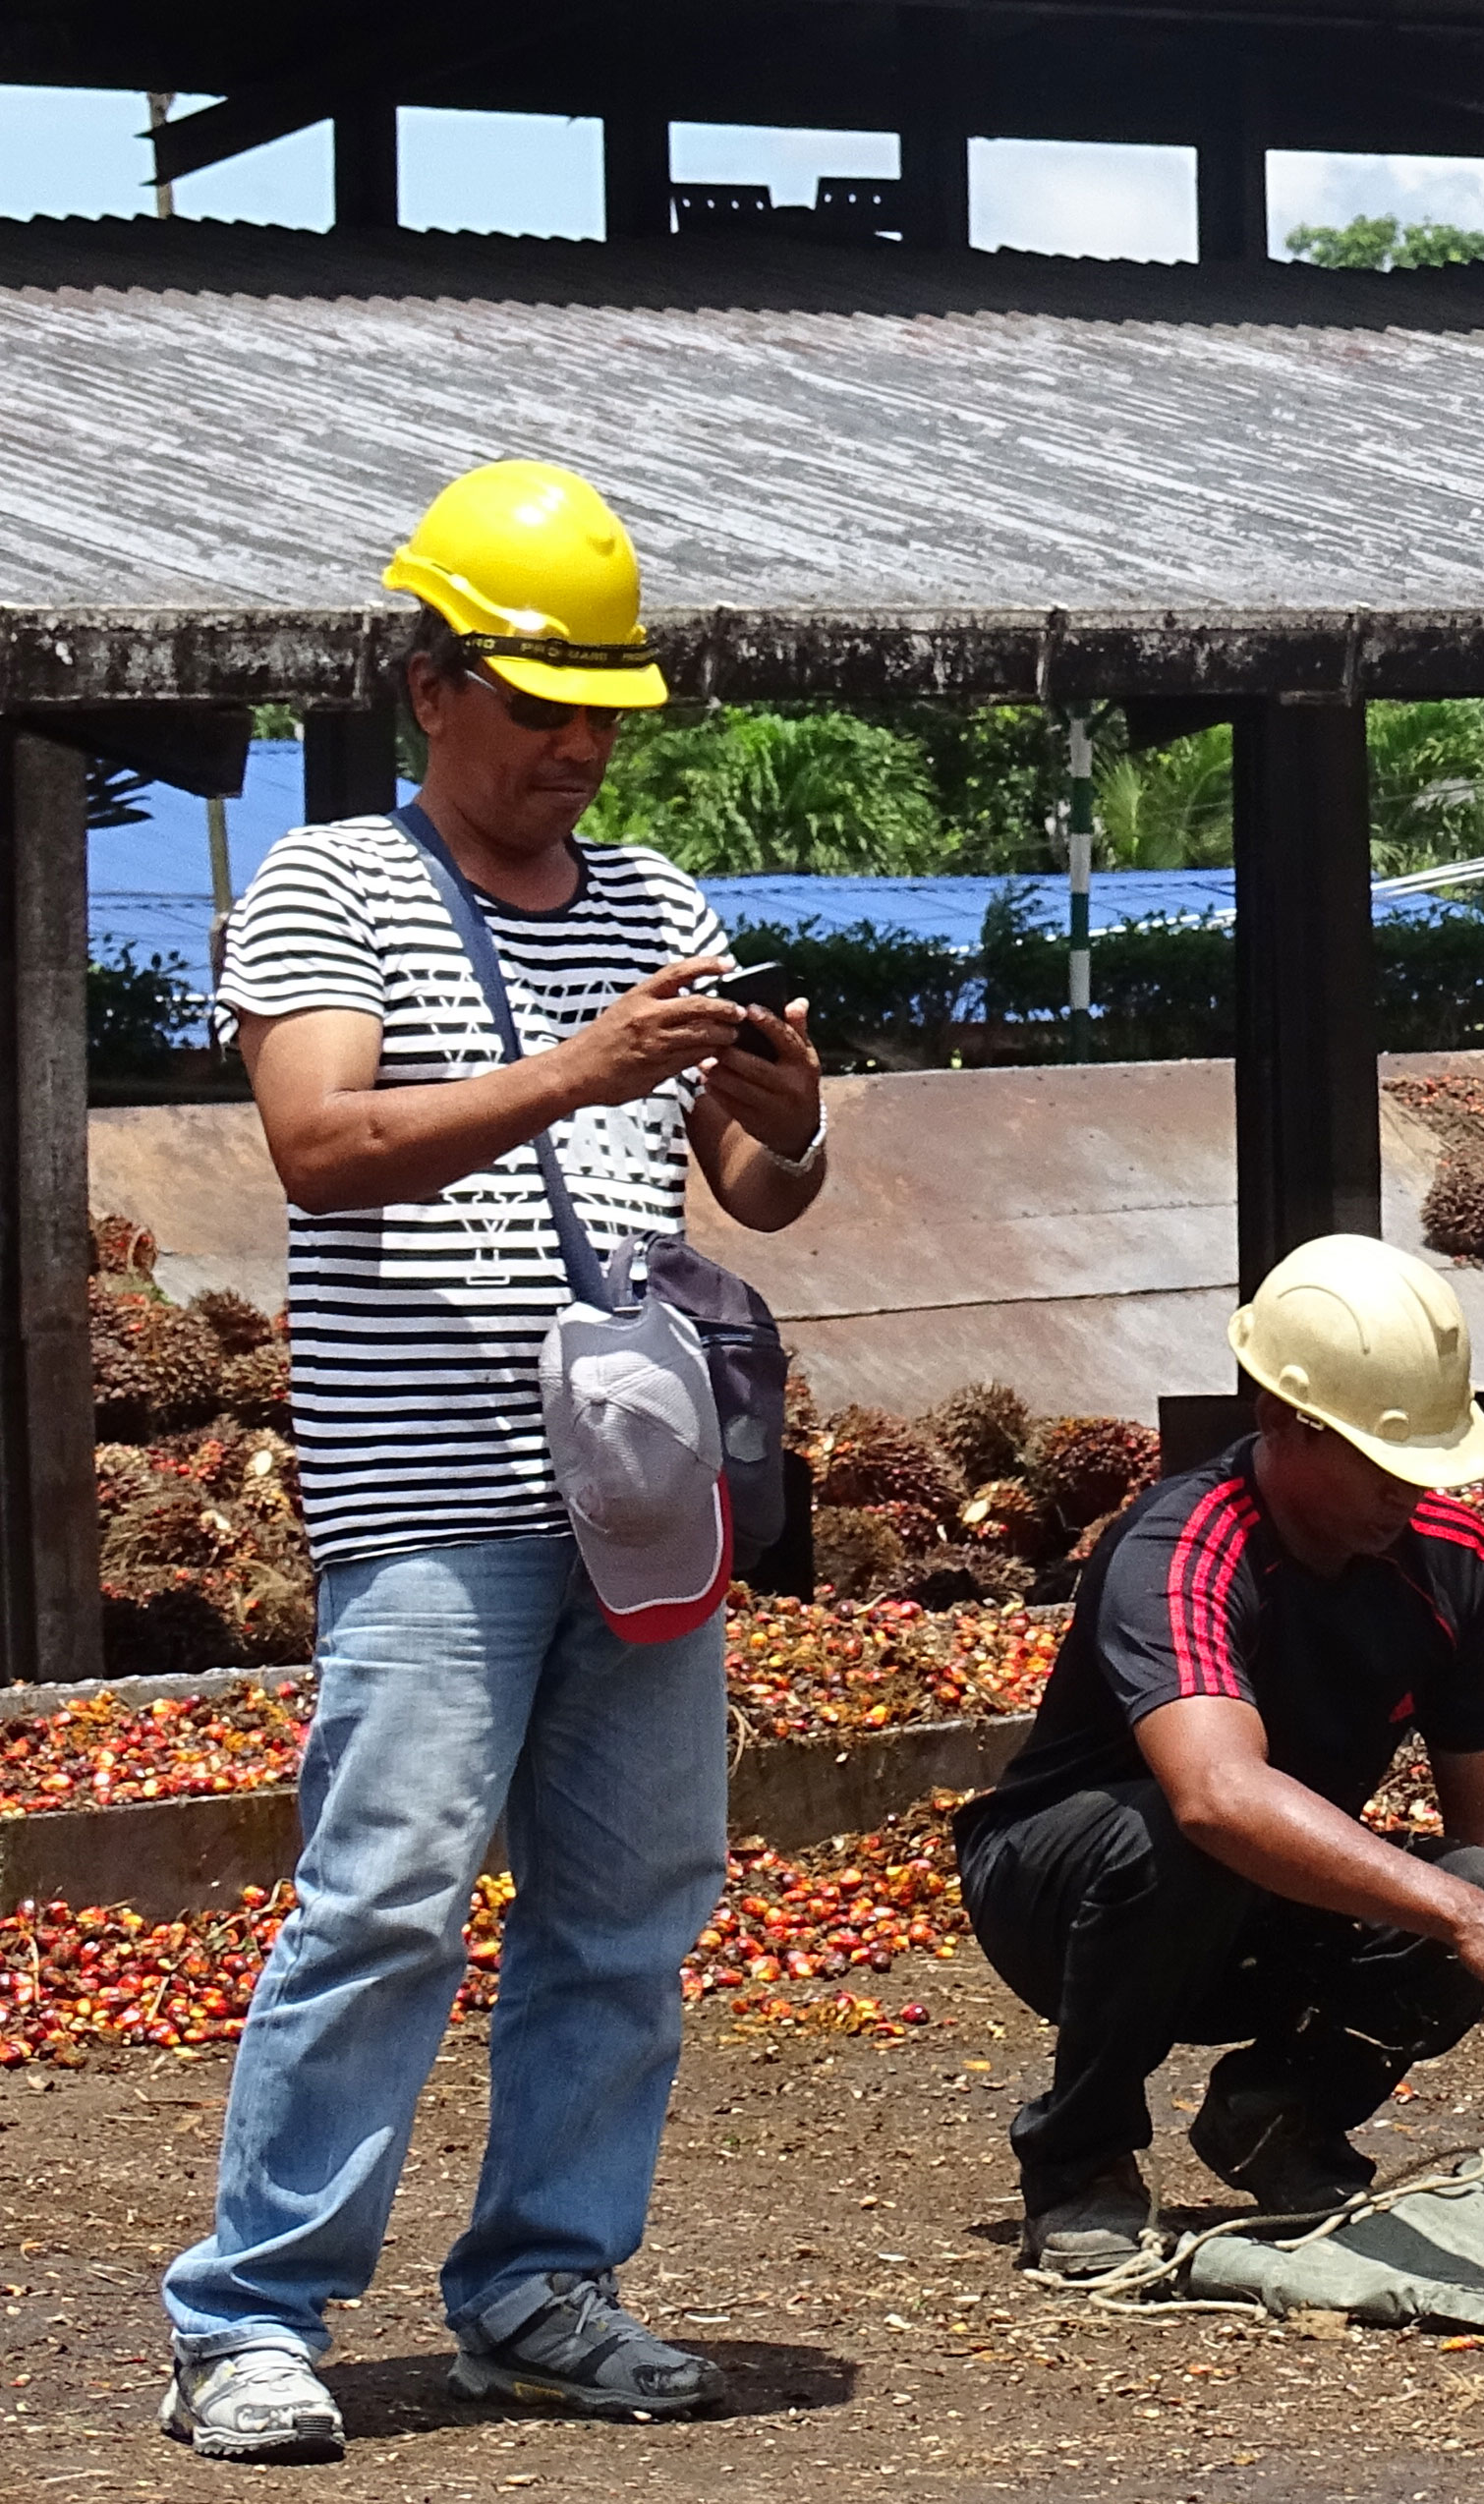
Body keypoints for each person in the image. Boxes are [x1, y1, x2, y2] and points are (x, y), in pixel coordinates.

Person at [162, 461, 833, 2462]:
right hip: (432, 1490)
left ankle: (544, 2282)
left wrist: (788, 1113)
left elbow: (746, 1187)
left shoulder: (655, 902)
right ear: (429, 680)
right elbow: (320, 1145)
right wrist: (572, 1067)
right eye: (539, 702)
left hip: (633, 1487)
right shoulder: (330, 884)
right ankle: (250, 2312)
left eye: (602, 709)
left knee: (632, 1899)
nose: (575, 745)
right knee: (386, 1893)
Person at [956, 1234, 1484, 2271]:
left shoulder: (1451, 1562)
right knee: (1183, 1832)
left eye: (1421, 1463)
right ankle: (1081, 2161)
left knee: (1477, 1879)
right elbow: (1216, 1795)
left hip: (1256, 1909)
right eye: (1381, 1461)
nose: (1406, 1492)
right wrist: (1472, 1917)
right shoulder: (1183, 1543)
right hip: (1064, 1897)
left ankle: (1277, 2111)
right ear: (1285, 1425)